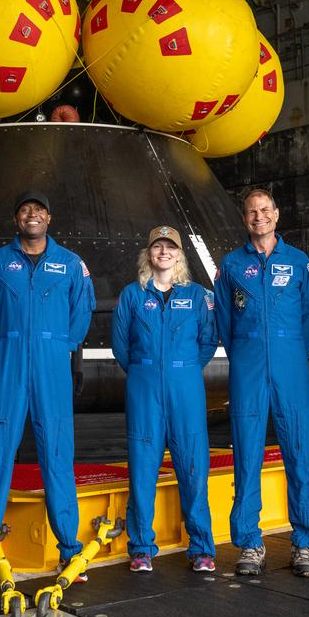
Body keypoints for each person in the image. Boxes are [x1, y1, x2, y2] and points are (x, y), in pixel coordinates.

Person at [0, 191, 96, 586]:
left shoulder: (70, 264)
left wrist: (59, 346)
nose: (32, 215)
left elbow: (81, 310)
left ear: (49, 218)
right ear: (16, 218)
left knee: (57, 456)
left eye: (38, 210)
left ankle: (69, 550)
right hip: (6, 363)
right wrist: (2, 344)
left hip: (52, 366)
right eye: (24, 209)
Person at [213, 188, 309, 577]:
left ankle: (304, 543)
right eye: (251, 212)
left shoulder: (298, 262)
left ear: (276, 215)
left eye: (265, 210)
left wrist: (292, 350)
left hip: (291, 367)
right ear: (244, 219)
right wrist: (247, 352)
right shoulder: (230, 266)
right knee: (246, 454)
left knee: (299, 452)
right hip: (248, 368)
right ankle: (249, 542)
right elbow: (223, 321)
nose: (258, 216)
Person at [112, 226, 217, 573]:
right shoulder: (132, 295)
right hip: (143, 387)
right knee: (142, 470)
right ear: (149, 254)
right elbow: (120, 346)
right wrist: (147, 370)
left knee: (193, 468)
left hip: (185, 387)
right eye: (157, 246)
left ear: (179, 255)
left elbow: (207, 341)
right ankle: (141, 548)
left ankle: (201, 548)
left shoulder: (198, 296)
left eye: (170, 247)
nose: (164, 252)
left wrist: (182, 370)